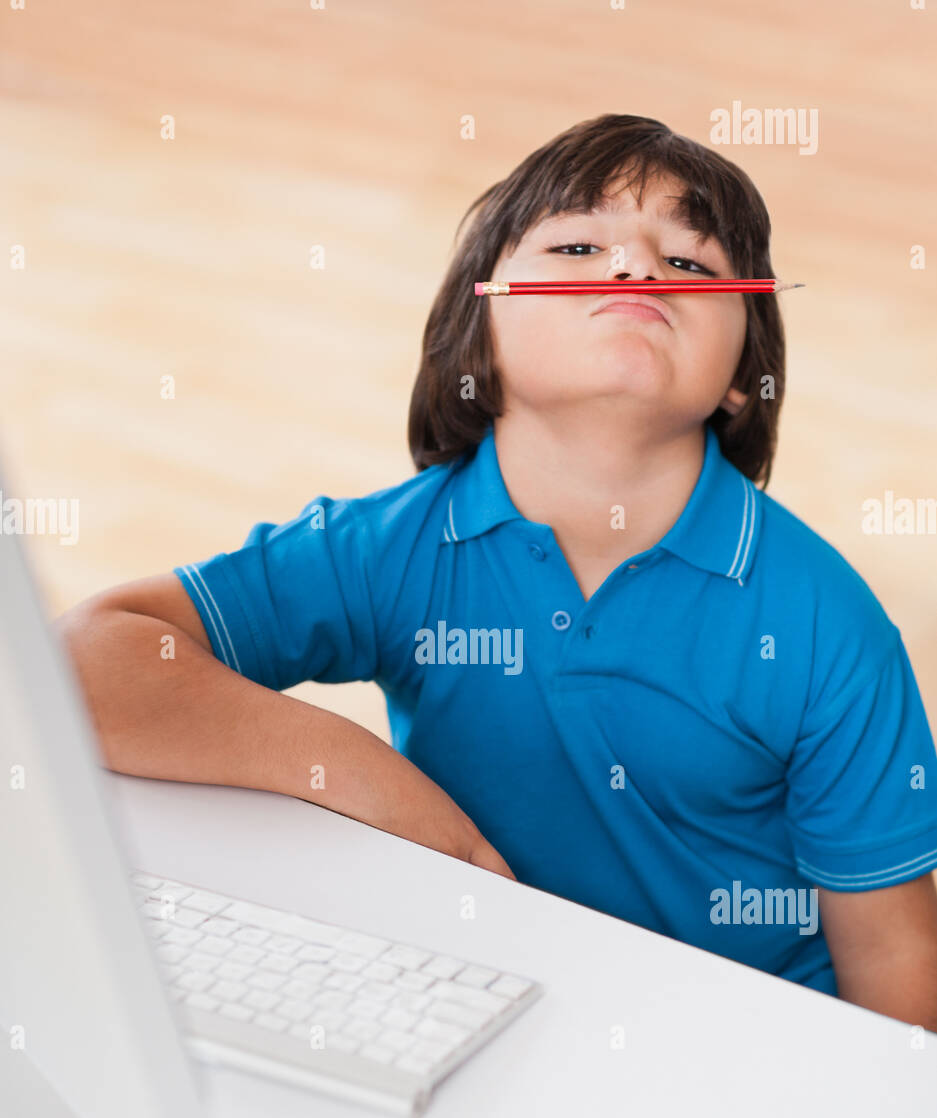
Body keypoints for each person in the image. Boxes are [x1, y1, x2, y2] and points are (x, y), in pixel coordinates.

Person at [58, 114, 937, 1027]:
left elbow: (894, 960)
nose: (634, 268)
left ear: (738, 378)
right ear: (480, 332)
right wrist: (357, 774)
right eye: (579, 243)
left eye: (689, 264)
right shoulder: (391, 549)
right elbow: (86, 659)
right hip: (495, 1012)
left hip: (756, 1037)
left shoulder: (823, 622)